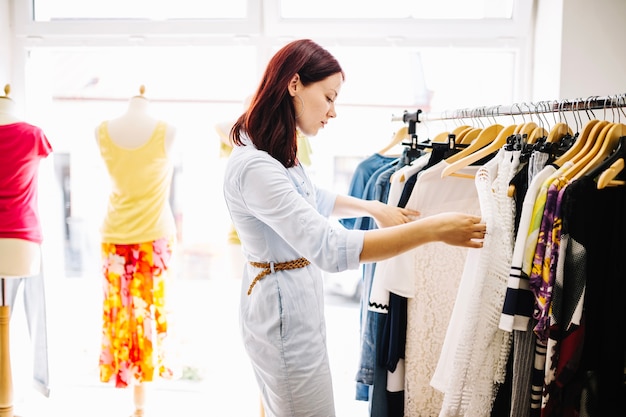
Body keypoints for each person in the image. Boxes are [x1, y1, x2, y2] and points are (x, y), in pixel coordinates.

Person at [222, 39, 486, 416]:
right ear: (294, 84)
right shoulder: (256, 167)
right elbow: (329, 248)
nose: (333, 112)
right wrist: (433, 229)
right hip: (282, 315)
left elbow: (309, 197)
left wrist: (371, 206)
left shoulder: (271, 153)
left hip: (289, 303)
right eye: (329, 97)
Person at [95, 89, 177, 417]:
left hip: (150, 238)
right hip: (124, 238)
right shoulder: (101, 131)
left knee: (148, 318)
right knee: (123, 317)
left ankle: (141, 403)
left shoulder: (166, 131)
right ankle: (137, 402)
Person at [0, 85, 53, 415]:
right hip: (21, 239)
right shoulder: (33, 135)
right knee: (26, 318)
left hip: (22, 239)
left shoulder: (35, 134)